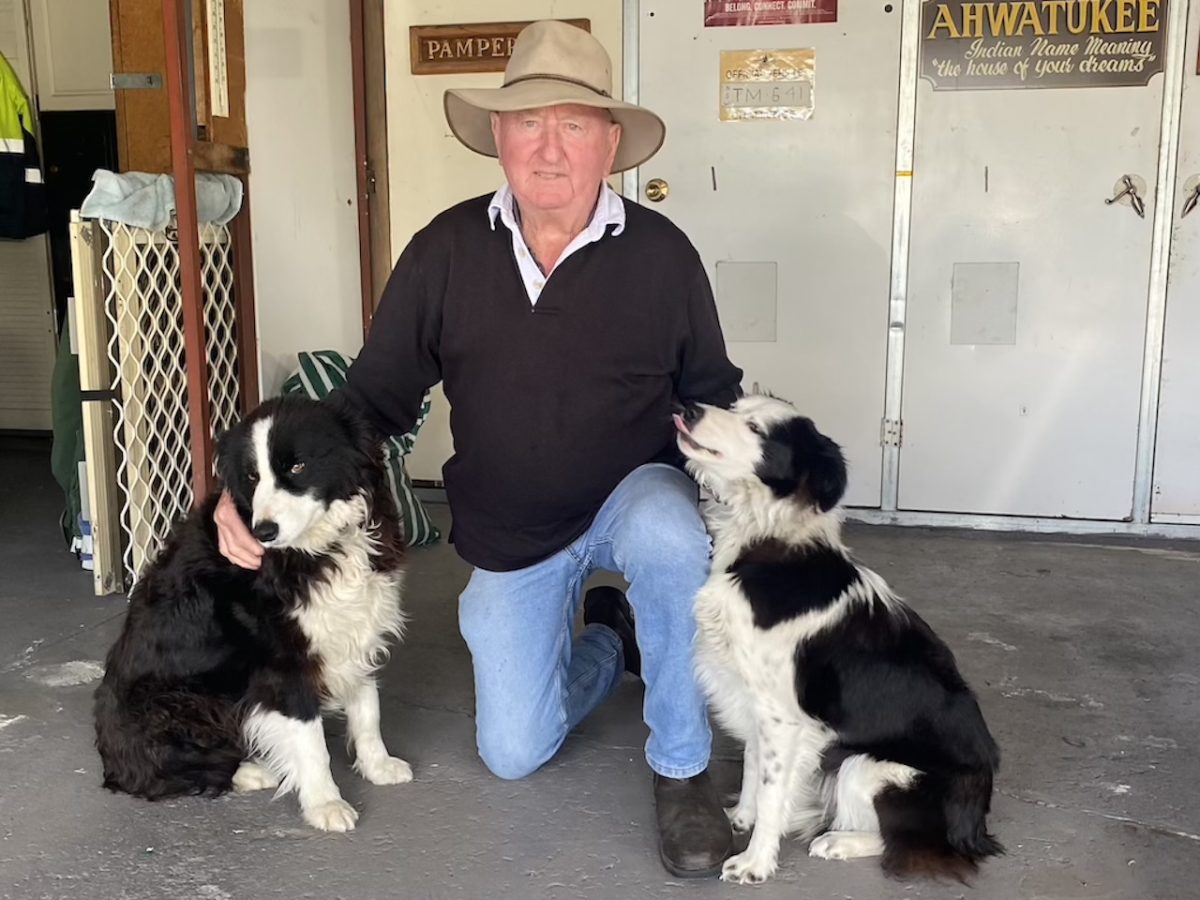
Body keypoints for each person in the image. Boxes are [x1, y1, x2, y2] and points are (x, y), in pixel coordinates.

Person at [215, 20, 742, 878]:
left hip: (632, 497)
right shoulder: (446, 251)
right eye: (528, 122)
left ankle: (682, 773)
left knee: (669, 535)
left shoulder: (662, 257)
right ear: (497, 135)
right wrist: (254, 488)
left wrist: (771, 488)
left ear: (610, 142)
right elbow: (369, 402)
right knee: (514, 749)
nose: (549, 147)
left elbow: (710, 395)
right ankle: (610, 639)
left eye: (574, 123)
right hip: (511, 529)